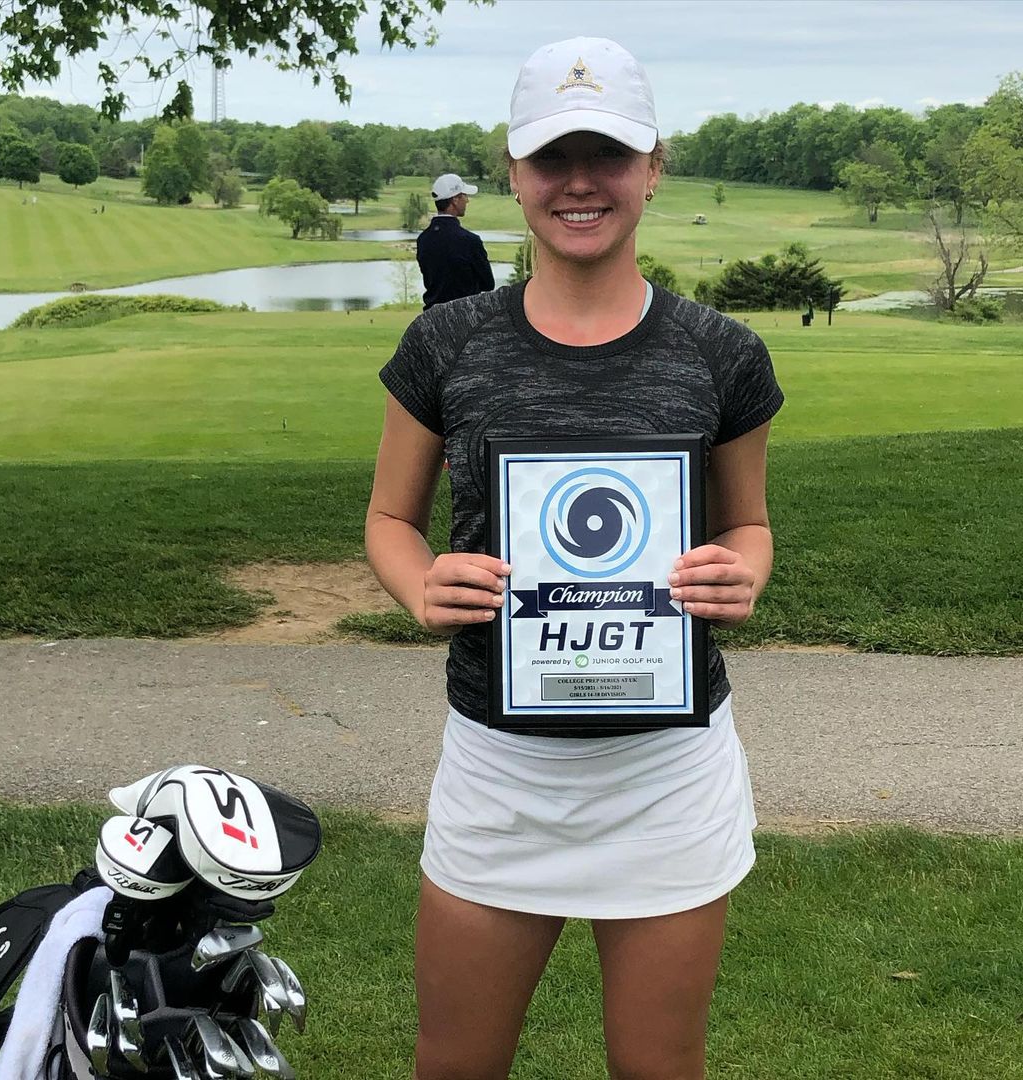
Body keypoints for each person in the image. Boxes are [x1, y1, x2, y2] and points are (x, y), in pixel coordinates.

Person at [366, 36, 784, 1080]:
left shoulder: (721, 351)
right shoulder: (447, 344)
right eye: (553, 157)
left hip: (667, 775)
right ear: (513, 171)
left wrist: (743, 573)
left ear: (654, 167)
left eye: (609, 154)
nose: (581, 182)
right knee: (455, 1065)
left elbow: (750, 525)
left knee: (659, 1066)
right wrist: (420, 584)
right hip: (501, 770)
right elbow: (388, 518)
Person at [415, 173, 495, 308]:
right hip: (465, 315)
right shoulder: (470, 241)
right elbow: (488, 284)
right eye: (464, 196)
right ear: (455, 200)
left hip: (432, 316)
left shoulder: (423, 239)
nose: (467, 200)